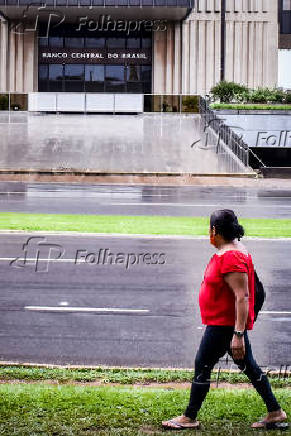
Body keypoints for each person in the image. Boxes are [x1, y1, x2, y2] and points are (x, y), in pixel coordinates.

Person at [162, 210, 287, 430]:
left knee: (203, 365)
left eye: (209, 229)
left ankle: (189, 417)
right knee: (248, 365)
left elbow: (243, 296)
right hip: (226, 324)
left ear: (215, 230)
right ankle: (275, 412)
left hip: (224, 326)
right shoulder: (232, 250)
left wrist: (238, 335)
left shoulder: (231, 256)